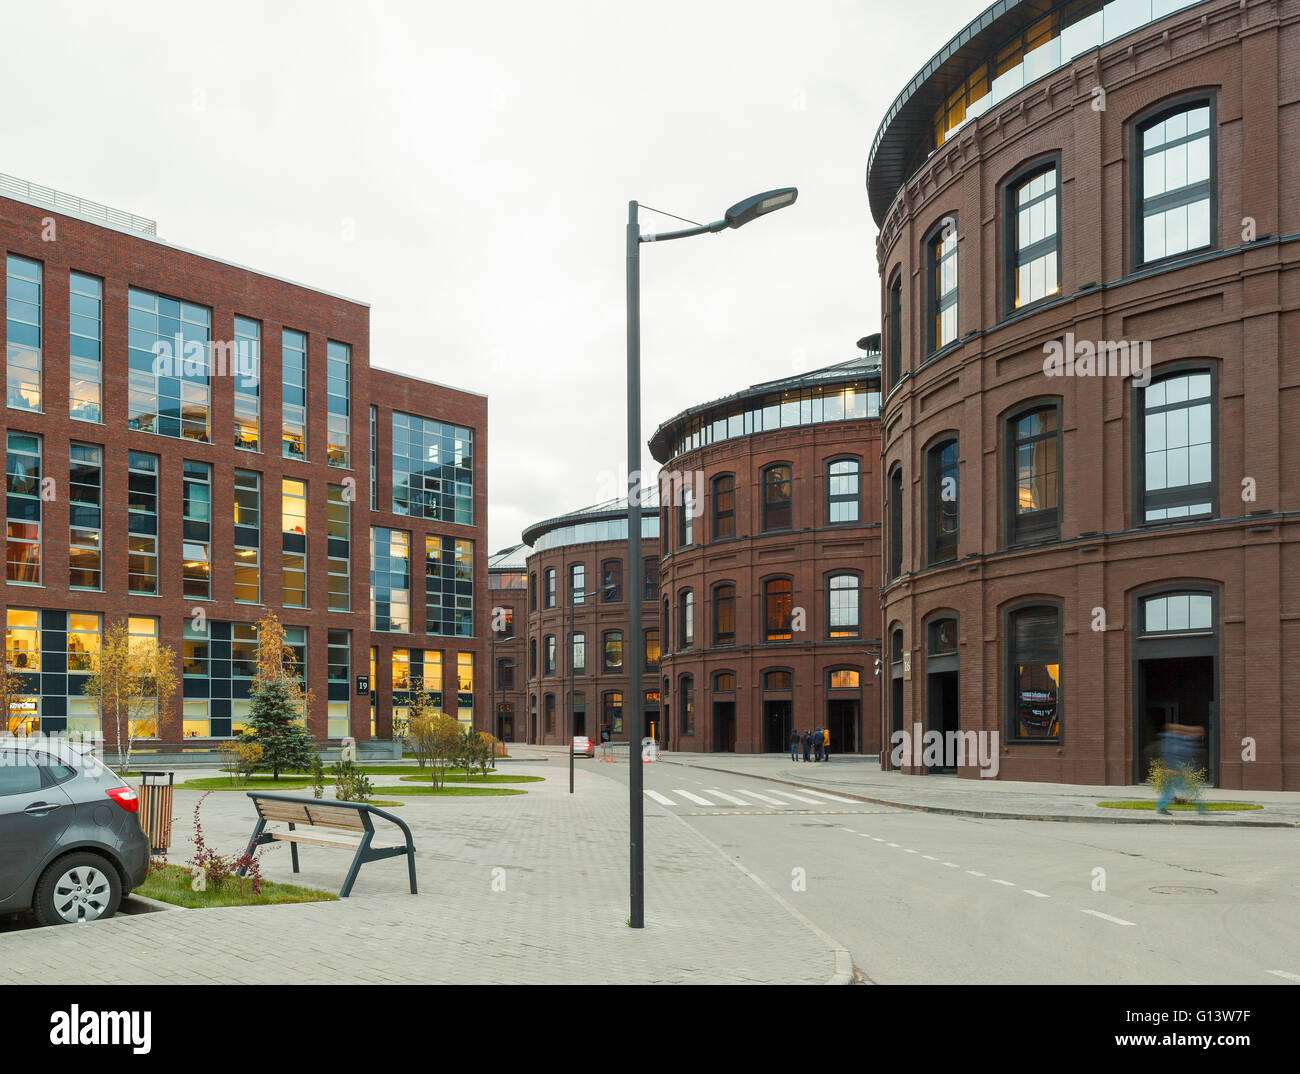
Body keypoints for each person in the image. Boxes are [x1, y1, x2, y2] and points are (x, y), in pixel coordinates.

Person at [1155, 724, 1208, 815]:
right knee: (1192, 790)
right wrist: (1173, 769)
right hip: (1175, 771)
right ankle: (1201, 809)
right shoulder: (1174, 742)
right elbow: (1172, 756)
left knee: (1169, 790)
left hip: (1176, 771)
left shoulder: (1177, 741)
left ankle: (1161, 807)